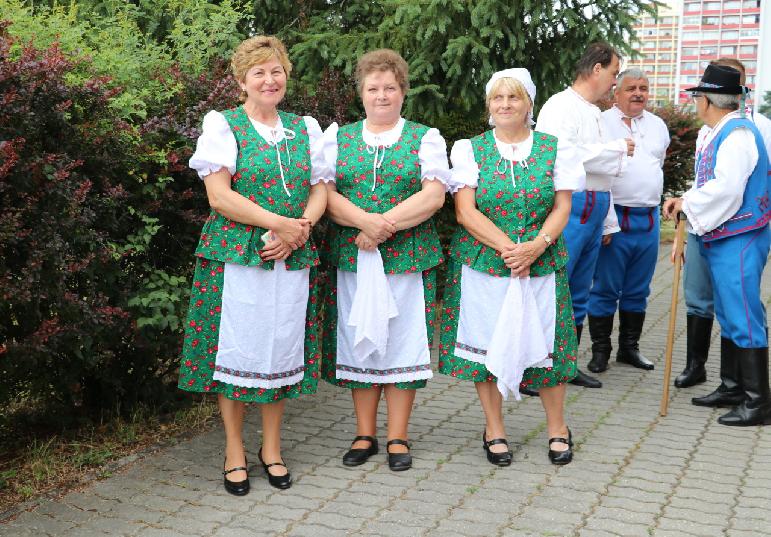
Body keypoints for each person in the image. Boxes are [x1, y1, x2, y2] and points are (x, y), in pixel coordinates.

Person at [178, 36, 329, 494]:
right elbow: (219, 196)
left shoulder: (305, 128)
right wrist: (277, 224)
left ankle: (272, 448)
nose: (270, 79)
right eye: (259, 72)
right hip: (238, 255)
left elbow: (321, 187)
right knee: (236, 351)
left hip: (290, 253)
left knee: (281, 349)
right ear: (241, 79)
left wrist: (298, 227)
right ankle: (232, 449)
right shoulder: (223, 124)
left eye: (277, 70)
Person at [438, 68, 583, 465]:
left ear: (528, 104)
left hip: (541, 261)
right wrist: (510, 249)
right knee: (485, 344)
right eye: (498, 98)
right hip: (485, 264)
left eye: (514, 97)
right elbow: (465, 212)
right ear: (489, 105)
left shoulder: (556, 148)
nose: (505, 105)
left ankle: (557, 427)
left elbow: (562, 207)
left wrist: (535, 247)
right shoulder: (470, 149)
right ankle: (494, 427)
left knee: (548, 346)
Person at [320, 49, 448, 471]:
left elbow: (432, 196)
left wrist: (382, 225)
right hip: (354, 257)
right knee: (361, 343)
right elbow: (325, 194)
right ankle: (364, 433)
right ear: (361, 92)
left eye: (389, 88)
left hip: (406, 257)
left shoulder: (425, 137)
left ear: (402, 91)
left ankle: (397, 436)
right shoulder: (337, 138)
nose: (381, 96)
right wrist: (362, 222)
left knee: (402, 341)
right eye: (373, 88)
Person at [663, 64, 770, 426]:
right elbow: (709, 181)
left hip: (740, 236)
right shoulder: (720, 131)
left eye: (697, 97)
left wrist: (687, 204)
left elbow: (726, 188)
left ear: (706, 99)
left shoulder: (738, 135)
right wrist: (688, 199)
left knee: (743, 315)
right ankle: (733, 388)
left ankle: (758, 403)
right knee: (729, 314)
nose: (695, 103)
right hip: (726, 234)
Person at [535, 42, 634, 391]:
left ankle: (565, 364)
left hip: (594, 206)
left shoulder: (592, 110)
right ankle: (537, 365)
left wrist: (607, 220)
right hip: (571, 203)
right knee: (554, 285)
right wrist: (617, 149)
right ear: (595, 69)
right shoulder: (560, 106)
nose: (613, 80)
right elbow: (562, 154)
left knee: (579, 289)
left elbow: (601, 171)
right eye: (613, 72)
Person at [586, 68, 670, 374]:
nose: (638, 93)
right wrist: (607, 222)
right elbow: (595, 173)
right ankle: (600, 352)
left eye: (644, 88)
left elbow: (656, 165)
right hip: (615, 216)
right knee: (606, 287)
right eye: (631, 88)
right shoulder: (601, 123)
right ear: (616, 93)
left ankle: (629, 349)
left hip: (647, 219)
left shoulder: (659, 125)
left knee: (638, 288)